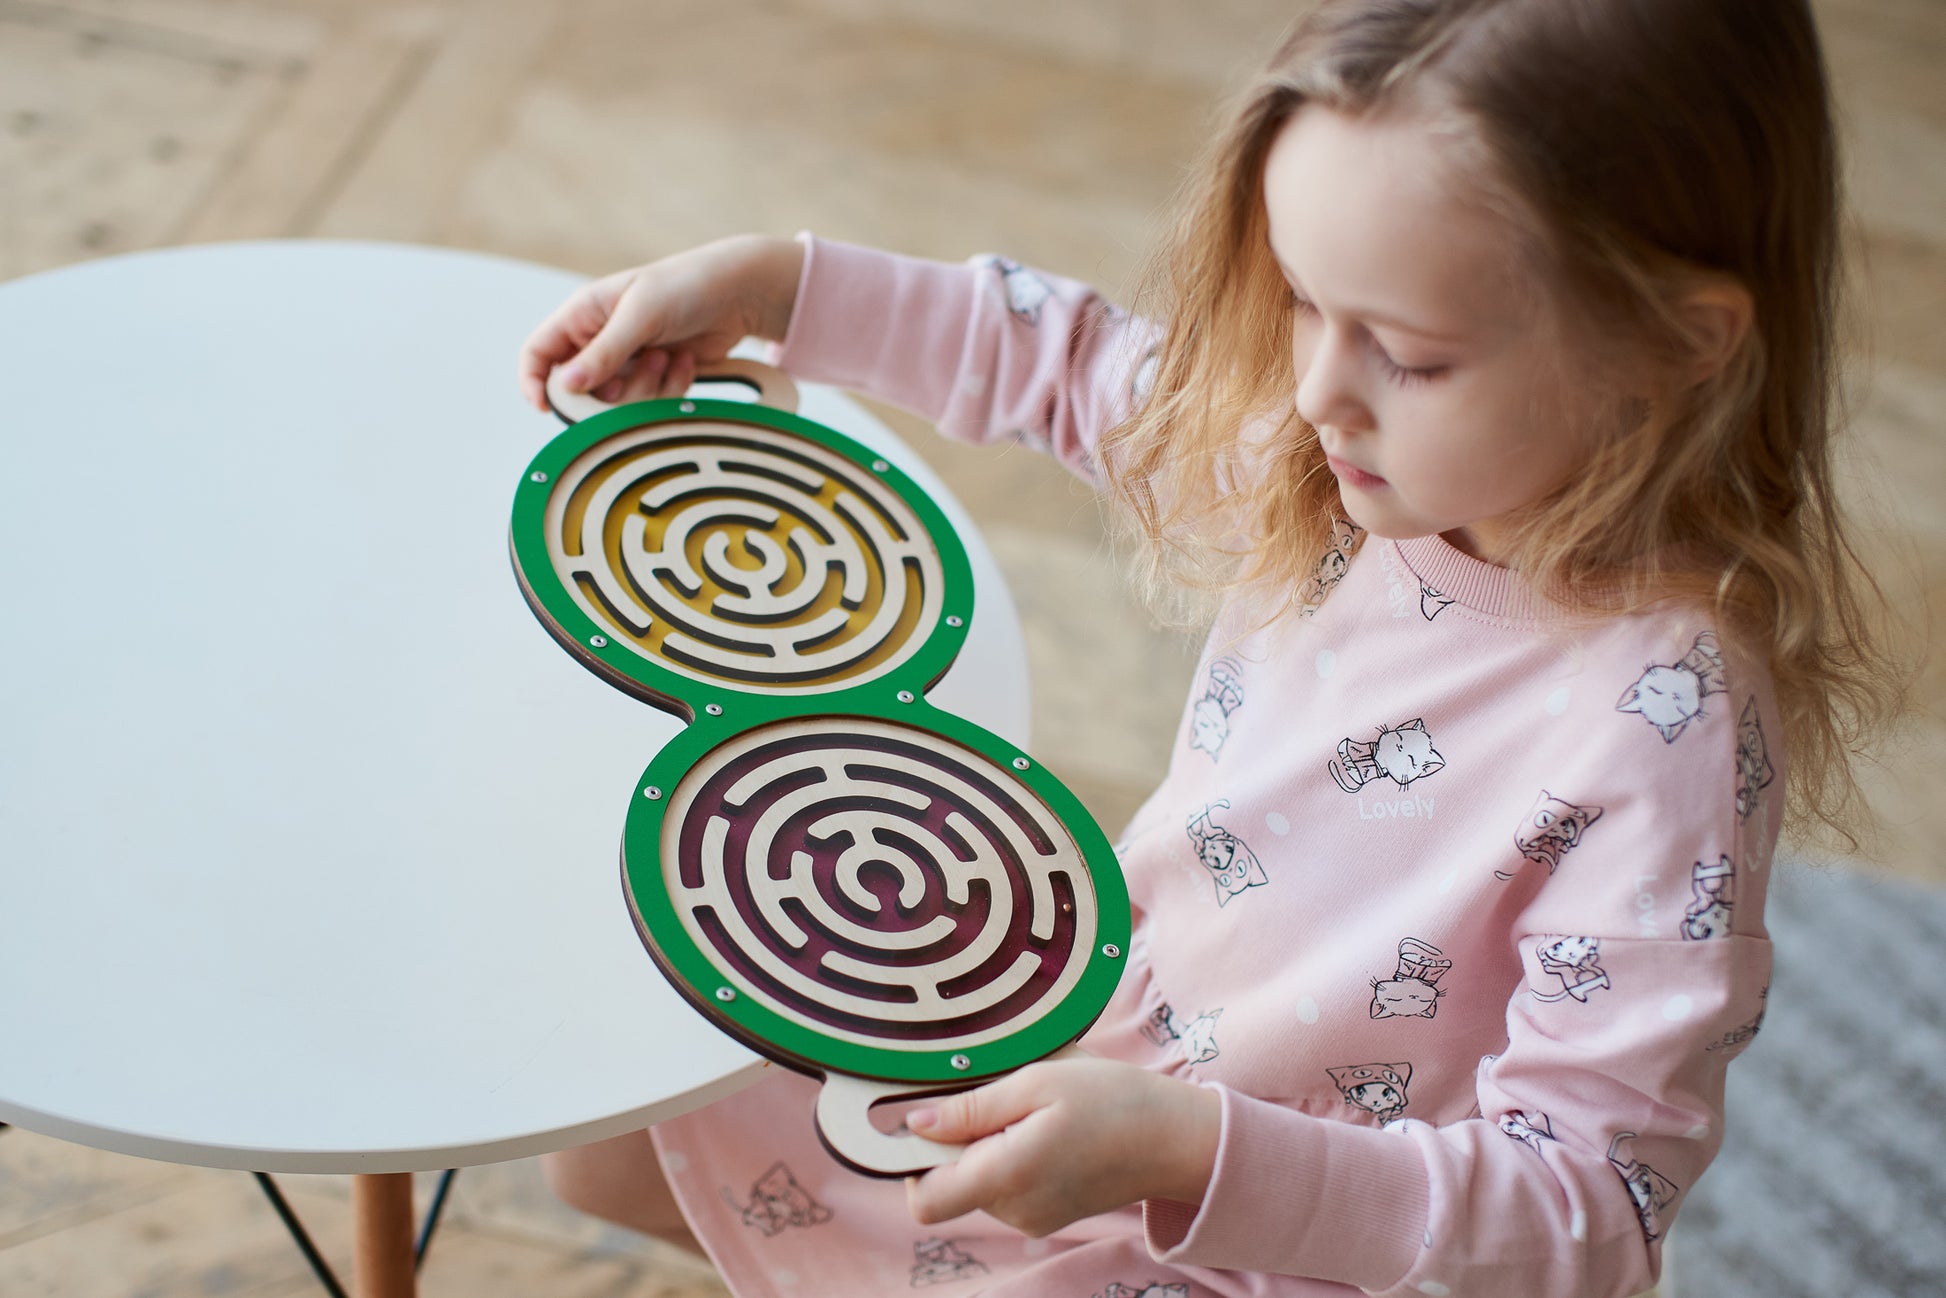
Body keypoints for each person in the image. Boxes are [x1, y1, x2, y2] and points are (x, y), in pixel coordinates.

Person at [514, 1, 1902, 1294]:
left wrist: (1187, 1153)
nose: (1317, 389)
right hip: (1099, 1033)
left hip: (1292, 1231)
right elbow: (1071, 366)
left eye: (1411, 354)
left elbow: (1584, 1212)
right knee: (618, 1132)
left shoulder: (1662, 726)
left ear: (1673, 342)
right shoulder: (1335, 458)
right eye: (1299, 298)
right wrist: (782, 286)